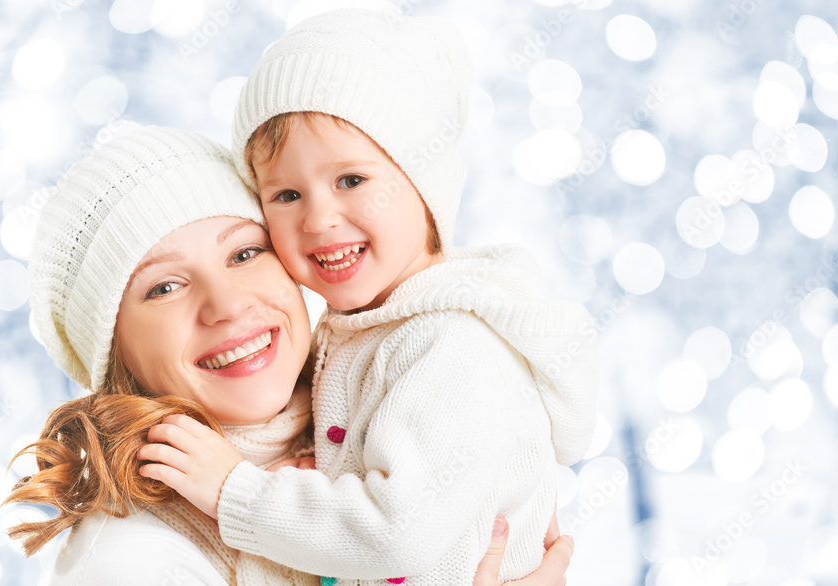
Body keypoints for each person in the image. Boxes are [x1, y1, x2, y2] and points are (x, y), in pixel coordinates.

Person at [139, 8, 598, 585]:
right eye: (284, 194)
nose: (319, 218)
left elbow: (397, 536)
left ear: (424, 183)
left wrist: (236, 492)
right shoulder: (366, 329)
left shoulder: (451, 345)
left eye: (351, 181)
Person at [4, 126, 572, 584]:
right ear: (115, 356)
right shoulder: (131, 562)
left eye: (245, 252)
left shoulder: (384, 405)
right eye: (165, 288)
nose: (226, 304)